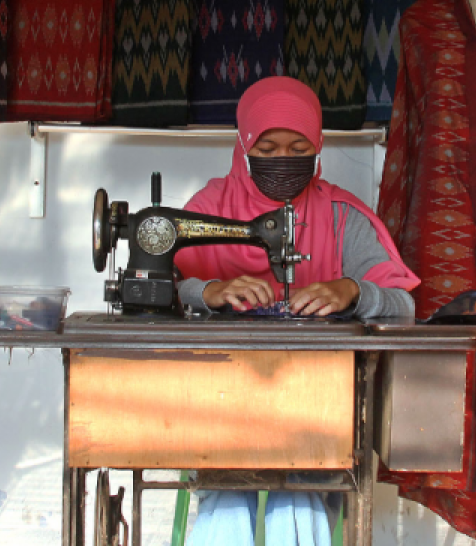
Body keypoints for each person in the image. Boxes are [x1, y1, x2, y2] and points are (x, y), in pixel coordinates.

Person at [171, 76, 420, 545]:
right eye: (267, 148)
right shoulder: (206, 211)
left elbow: (403, 304)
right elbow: (164, 290)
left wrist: (353, 291)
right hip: (220, 401)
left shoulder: (344, 217)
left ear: (318, 147)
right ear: (245, 145)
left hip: (315, 407)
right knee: (227, 494)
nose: (283, 158)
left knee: (298, 495)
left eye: (297, 145)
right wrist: (210, 292)